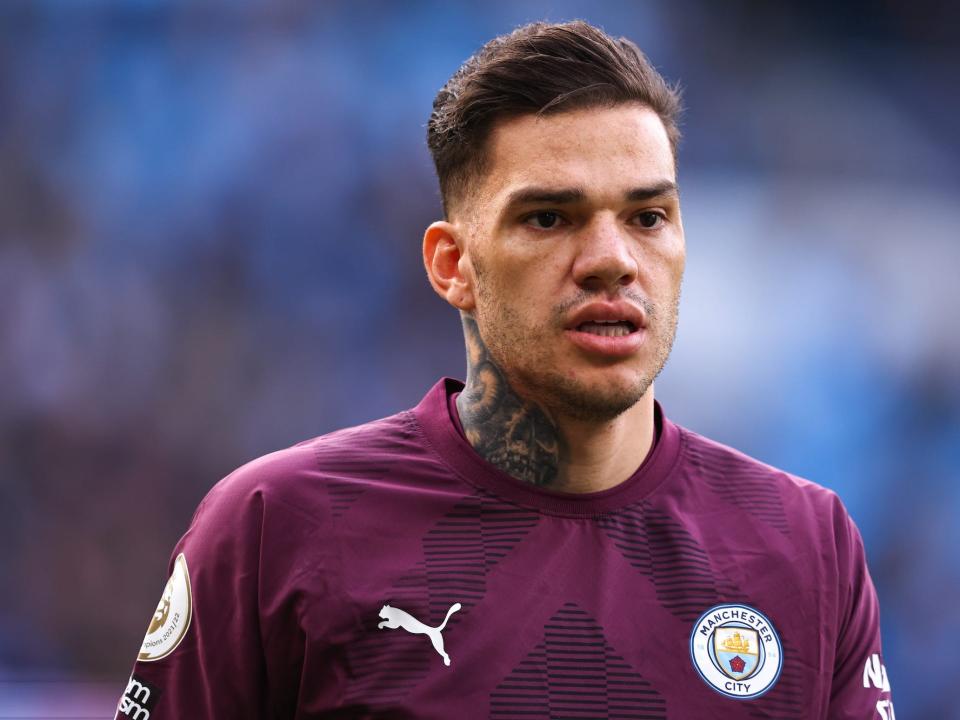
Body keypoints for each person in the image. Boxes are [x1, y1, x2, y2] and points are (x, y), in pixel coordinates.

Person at [115, 20, 895, 720]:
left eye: (648, 217)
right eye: (549, 218)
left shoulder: (803, 546)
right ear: (453, 265)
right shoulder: (276, 529)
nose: (612, 261)